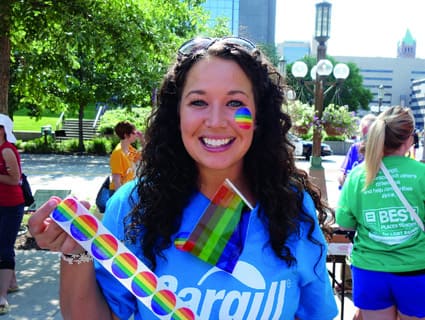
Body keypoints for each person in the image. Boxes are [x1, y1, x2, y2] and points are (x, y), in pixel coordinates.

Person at [28, 36, 338, 319]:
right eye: (198, 102)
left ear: (259, 118)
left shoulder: (292, 207)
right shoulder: (134, 206)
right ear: (177, 114)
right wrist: (77, 252)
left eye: (235, 103)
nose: (215, 121)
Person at [336, 106, 425, 320]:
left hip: (370, 271)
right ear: (409, 139)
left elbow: (344, 222)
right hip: (415, 270)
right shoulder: (421, 174)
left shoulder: (358, 175)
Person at [0, 114, 25, 315]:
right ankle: (12, 282)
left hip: (10, 205)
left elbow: (15, 179)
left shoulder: (7, 150)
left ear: (2, 129)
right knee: (4, 244)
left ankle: (2, 298)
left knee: (4, 248)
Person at [338, 113, 377, 188]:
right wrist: (343, 179)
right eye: (363, 134)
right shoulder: (355, 148)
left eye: (369, 134)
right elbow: (342, 173)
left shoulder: (381, 152)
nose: (366, 138)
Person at [109, 120, 144, 191]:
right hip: (119, 193)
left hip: (127, 191)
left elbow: (146, 157)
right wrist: (122, 198)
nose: (136, 135)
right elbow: (116, 182)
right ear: (126, 135)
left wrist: (142, 140)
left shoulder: (130, 149)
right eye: (134, 133)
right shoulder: (117, 153)